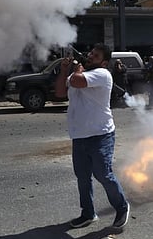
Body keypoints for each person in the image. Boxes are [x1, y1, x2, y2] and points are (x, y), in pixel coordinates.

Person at [54, 43, 130, 229]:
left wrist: (76, 70)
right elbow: (59, 92)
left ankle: (121, 206)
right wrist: (64, 70)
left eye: (95, 56)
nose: (90, 56)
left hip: (100, 134)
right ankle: (88, 213)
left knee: (103, 174)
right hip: (79, 135)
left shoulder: (102, 74)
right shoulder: (76, 74)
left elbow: (78, 82)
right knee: (82, 176)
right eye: (91, 52)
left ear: (103, 63)